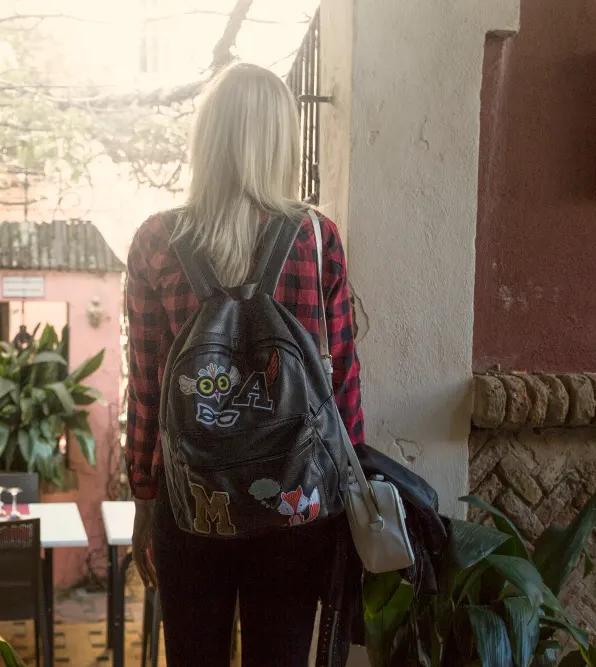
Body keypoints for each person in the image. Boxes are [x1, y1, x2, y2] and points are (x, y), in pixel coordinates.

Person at [125, 62, 365, 666]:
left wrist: (144, 499)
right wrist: (355, 487)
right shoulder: (317, 239)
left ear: (207, 138)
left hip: (191, 505)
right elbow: (342, 386)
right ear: (281, 139)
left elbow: (148, 389)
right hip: (298, 503)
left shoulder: (156, 240)